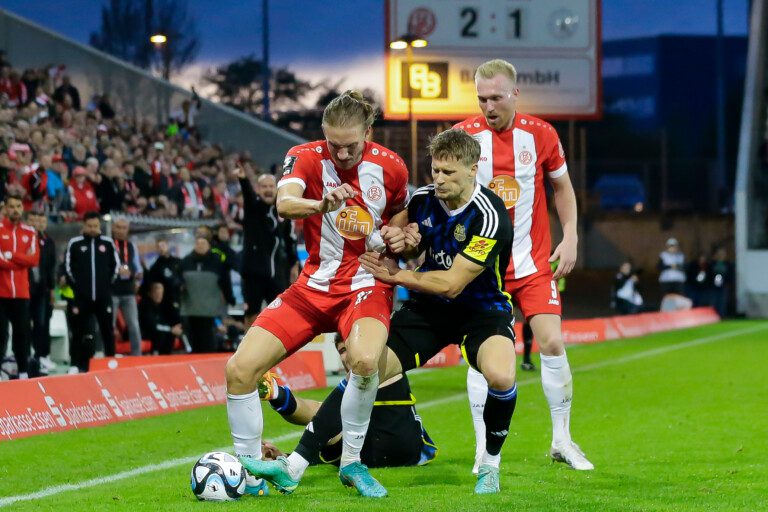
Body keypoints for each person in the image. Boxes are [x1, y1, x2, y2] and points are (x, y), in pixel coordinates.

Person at [243, 128, 517, 495]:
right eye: (435, 170)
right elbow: (396, 239)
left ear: (472, 169)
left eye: (449, 173)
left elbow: (453, 283)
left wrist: (399, 273)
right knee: (364, 368)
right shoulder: (422, 199)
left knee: (500, 377)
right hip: (431, 312)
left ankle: (490, 464)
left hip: (482, 312)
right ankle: (294, 465)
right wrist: (401, 241)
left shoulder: (490, 215)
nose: (439, 180)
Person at [225, 90, 409, 498]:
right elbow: (285, 204)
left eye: (351, 145)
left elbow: (400, 219)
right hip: (313, 286)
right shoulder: (305, 155)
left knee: (363, 361)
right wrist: (321, 203)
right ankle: (246, 474)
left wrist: (401, 235)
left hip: (366, 282)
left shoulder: (392, 167)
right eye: (334, 144)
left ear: (369, 132)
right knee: (239, 370)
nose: (341, 154)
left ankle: (352, 463)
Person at [455, 59, 593, 470]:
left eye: (496, 97)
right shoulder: (464, 136)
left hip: (532, 261)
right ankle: (483, 451)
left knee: (551, 341)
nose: (488, 106)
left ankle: (562, 440)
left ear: (515, 93)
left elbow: (563, 190)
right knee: (483, 355)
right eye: (481, 98)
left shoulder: (541, 134)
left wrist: (571, 238)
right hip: (482, 265)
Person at [260, 334, 436, 468]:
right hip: (366, 455)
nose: (346, 356)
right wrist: (276, 395)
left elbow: (323, 412)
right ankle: (274, 393)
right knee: (331, 423)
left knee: (334, 417)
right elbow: (317, 411)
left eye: (349, 347)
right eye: (342, 351)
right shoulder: (347, 393)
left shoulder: (387, 367)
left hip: (406, 448)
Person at [237, 169, 299, 325]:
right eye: (264, 187)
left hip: (277, 272)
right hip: (253, 271)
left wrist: (294, 263)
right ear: (258, 190)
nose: (268, 190)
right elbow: (248, 196)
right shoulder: (253, 209)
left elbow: (290, 240)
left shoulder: (283, 212)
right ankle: (248, 347)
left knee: (279, 311)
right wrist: (243, 180)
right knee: (252, 312)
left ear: (277, 189)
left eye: (271, 186)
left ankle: (277, 348)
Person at [64, 211, 120, 373]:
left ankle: (111, 361)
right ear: (84, 226)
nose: (93, 229)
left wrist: (106, 286)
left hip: (103, 297)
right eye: (90, 226)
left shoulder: (108, 243)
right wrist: (78, 288)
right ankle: (75, 364)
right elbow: (68, 268)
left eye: (96, 226)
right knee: (78, 331)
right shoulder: (75, 243)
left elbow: (115, 266)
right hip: (81, 297)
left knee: (107, 330)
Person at [0, 193, 39, 379]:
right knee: (0, 335)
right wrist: (21, 260)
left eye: (18, 206)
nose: (15, 210)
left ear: (22, 208)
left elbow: (34, 260)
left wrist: (11, 255)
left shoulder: (30, 232)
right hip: (1, 293)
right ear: (6, 208)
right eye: (12, 206)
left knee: (22, 334)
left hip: (22, 293)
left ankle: (23, 372)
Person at [179, 235, 235, 353]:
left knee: (208, 344)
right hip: (190, 309)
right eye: (198, 243)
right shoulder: (185, 262)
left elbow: (225, 282)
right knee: (193, 344)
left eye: (203, 243)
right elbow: (177, 281)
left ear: (209, 246)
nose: (200, 246)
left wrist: (230, 298)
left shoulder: (217, 263)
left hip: (209, 311)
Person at [27, 210, 57, 372]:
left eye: (42, 222)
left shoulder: (49, 241)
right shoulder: (27, 239)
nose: (39, 225)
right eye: (36, 221)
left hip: (42, 289)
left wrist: (52, 288)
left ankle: (41, 356)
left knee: (42, 323)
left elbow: (51, 267)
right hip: (25, 288)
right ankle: (27, 355)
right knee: (26, 323)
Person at [111, 218, 143, 356]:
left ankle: (137, 355)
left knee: (134, 325)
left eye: (124, 228)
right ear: (113, 228)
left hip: (128, 291)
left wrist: (137, 278)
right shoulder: (108, 244)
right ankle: (108, 354)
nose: (121, 230)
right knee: (109, 326)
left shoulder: (131, 246)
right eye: (118, 227)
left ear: (127, 230)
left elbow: (138, 268)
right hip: (111, 290)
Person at [139, 282, 182, 355]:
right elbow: (151, 325)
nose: (159, 296)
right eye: (156, 293)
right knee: (162, 334)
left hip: (155, 330)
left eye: (161, 294)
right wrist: (170, 329)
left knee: (171, 333)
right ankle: (157, 355)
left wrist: (174, 328)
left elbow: (164, 322)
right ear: (150, 293)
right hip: (143, 332)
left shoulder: (161, 306)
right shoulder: (145, 306)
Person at [144, 236, 182, 313]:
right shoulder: (155, 266)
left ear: (167, 245)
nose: (161, 248)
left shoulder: (178, 262)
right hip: (165, 300)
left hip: (179, 297)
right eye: (159, 247)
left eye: (163, 246)